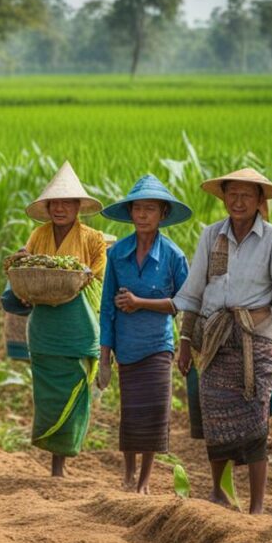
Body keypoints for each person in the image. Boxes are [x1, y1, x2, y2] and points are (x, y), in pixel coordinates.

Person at [174, 168, 272, 515]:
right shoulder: (211, 236)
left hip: (256, 338)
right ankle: (219, 493)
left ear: (260, 200)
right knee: (215, 416)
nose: (238, 201)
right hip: (214, 338)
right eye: (232, 194)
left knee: (256, 417)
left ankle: (257, 505)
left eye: (246, 195)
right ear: (223, 197)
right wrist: (185, 341)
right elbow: (194, 291)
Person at [2, 162, 105, 478]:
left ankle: (61, 463)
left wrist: (82, 278)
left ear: (78, 207)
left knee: (73, 391)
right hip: (45, 325)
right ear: (47, 208)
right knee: (47, 393)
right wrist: (22, 273)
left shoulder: (93, 239)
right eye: (54, 203)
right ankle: (52, 460)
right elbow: (27, 278)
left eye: (67, 203)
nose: (60, 208)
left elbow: (100, 279)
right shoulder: (38, 235)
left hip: (78, 324)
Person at [98, 175, 191, 494]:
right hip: (127, 346)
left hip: (157, 347)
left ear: (162, 214)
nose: (142, 215)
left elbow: (184, 302)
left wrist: (141, 303)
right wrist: (104, 356)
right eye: (137, 208)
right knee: (130, 414)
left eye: (149, 209)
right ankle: (127, 474)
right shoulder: (117, 253)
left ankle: (144, 481)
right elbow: (107, 307)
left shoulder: (173, 256)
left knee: (153, 413)